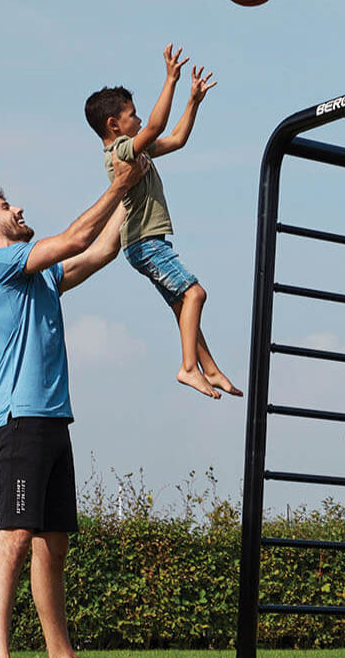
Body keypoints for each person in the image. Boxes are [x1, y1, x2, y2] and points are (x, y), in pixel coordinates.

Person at [0, 153, 147, 658]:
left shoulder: (37, 276)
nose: (17, 209)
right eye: (4, 207)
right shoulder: (0, 266)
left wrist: (136, 186)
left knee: (53, 542)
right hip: (18, 419)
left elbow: (99, 249)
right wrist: (119, 184)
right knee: (15, 535)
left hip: (52, 419)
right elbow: (76, 237)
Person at [83, 45, 240, 400]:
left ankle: (210, 369)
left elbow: (177, 138)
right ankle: (188, 368)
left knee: (183, 306)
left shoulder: (135, 148)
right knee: (195, 293)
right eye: (132, 115)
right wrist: (171, 80)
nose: (139, 120)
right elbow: (156, 126)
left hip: (150, 242)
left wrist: (193, 102)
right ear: (114, 125)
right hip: (145, 242)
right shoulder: (120, 151)